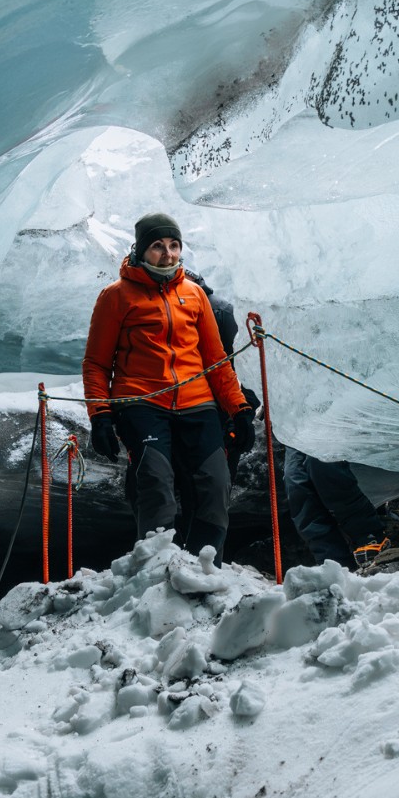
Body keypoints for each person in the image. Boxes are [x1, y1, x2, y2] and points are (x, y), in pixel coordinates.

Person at [84, 213, 259, 556]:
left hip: (197, 402)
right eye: (158, 246)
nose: (167, 254)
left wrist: (239, 409)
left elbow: (216, 360)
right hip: (141, 401)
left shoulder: (194, 294)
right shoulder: (115, 296)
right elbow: (96, 363)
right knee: (155, 482)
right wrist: (100, 415)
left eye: (174, 245)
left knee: (215, 483)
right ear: (140, 250)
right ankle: (155, 566)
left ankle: (204, 567)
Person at [282, 449, 387, 568]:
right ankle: (331, 559)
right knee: (295, 480)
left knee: (321, 460)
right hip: (297, 437)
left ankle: (369, 536)